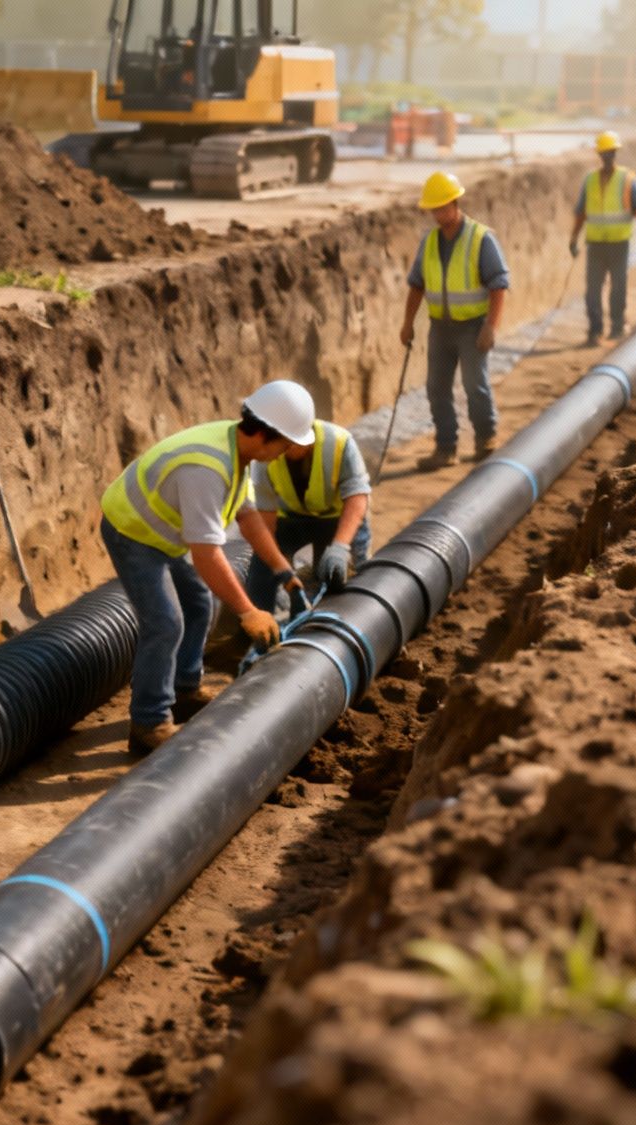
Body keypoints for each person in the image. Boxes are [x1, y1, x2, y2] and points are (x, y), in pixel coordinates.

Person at [100, 380, 314, 755]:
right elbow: (207, 554)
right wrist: (248, 612)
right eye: (286, 442)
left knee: (201, 603)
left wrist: (285, 573)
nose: (287, 452)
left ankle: (183, 689)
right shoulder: (207, 468)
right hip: (133, 531)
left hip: (165, 532)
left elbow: (248, 519)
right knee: (165, 622)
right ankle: (148, 723)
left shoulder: (238, 453)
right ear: (267, 435)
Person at [400, 171, 510, 472]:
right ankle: (445, 447)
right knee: (436, 387)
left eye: (440, 208)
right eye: (432, 209)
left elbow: (498, 284)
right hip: (441, 328)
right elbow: (417, 284)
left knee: (475, 385)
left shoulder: (480, 238)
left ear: (455, 202)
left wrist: (491, 326)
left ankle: (485, 439)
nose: (436, 215)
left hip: (473, 326)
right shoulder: (430, 242)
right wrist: (408, 323)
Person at [242, 416, 372, 615]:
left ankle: (363, 618)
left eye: (296, 442)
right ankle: (264, 629)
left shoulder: (339, 442)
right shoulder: (265, 457)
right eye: (285, 443)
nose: (290, 448)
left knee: (341, 576)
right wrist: (280, 569)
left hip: (337, 519)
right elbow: (265, 521)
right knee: (261, 574)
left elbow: (357, 497)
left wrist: (340, 547)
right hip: (291, 520)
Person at [568, 130, 636, 346]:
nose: (607, 157)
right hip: (596, 244)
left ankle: (617, 325)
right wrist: (573, 238)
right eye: (604, 153)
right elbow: (581, 212)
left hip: (619, 244)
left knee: (618, 286)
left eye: (610, 153)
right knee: (592, 290)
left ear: (615, 153)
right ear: (600, 154)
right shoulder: (591, 180)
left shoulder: (626, 180)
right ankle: (595, 331)